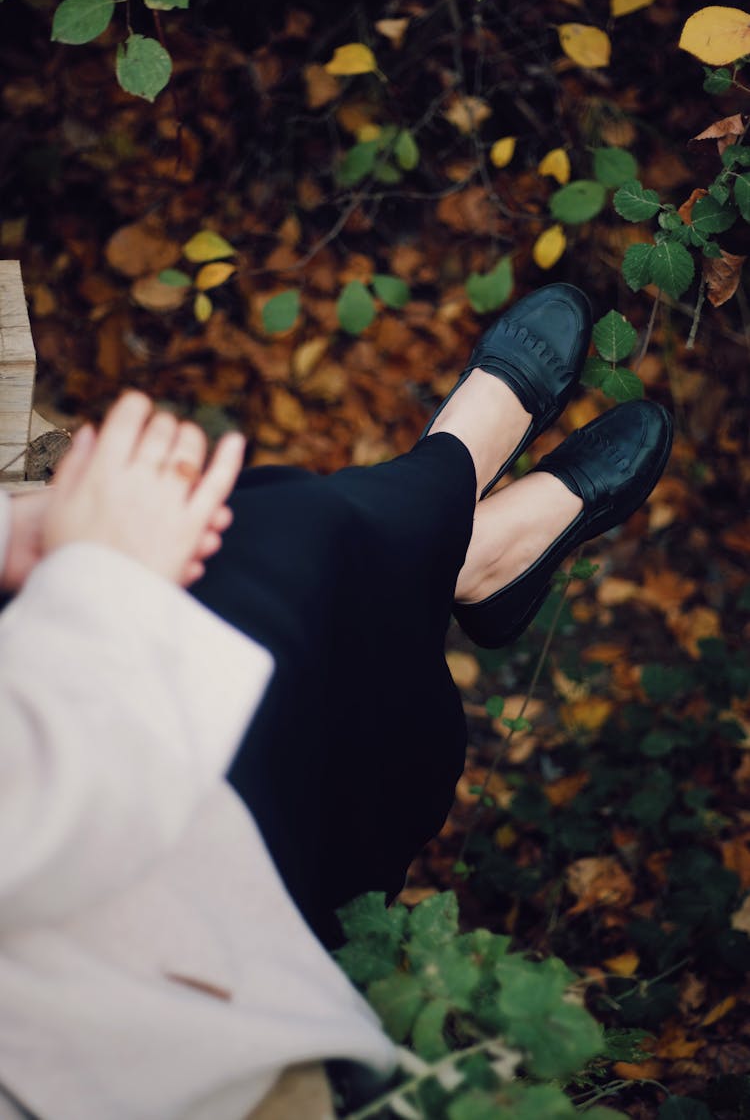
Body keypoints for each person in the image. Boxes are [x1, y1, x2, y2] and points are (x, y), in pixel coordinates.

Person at [0, 283, 672, 1119]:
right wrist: (94, 586)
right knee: (280, 549)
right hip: (108, 997)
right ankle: (458, 517)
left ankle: (458, 527)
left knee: (261, 540)